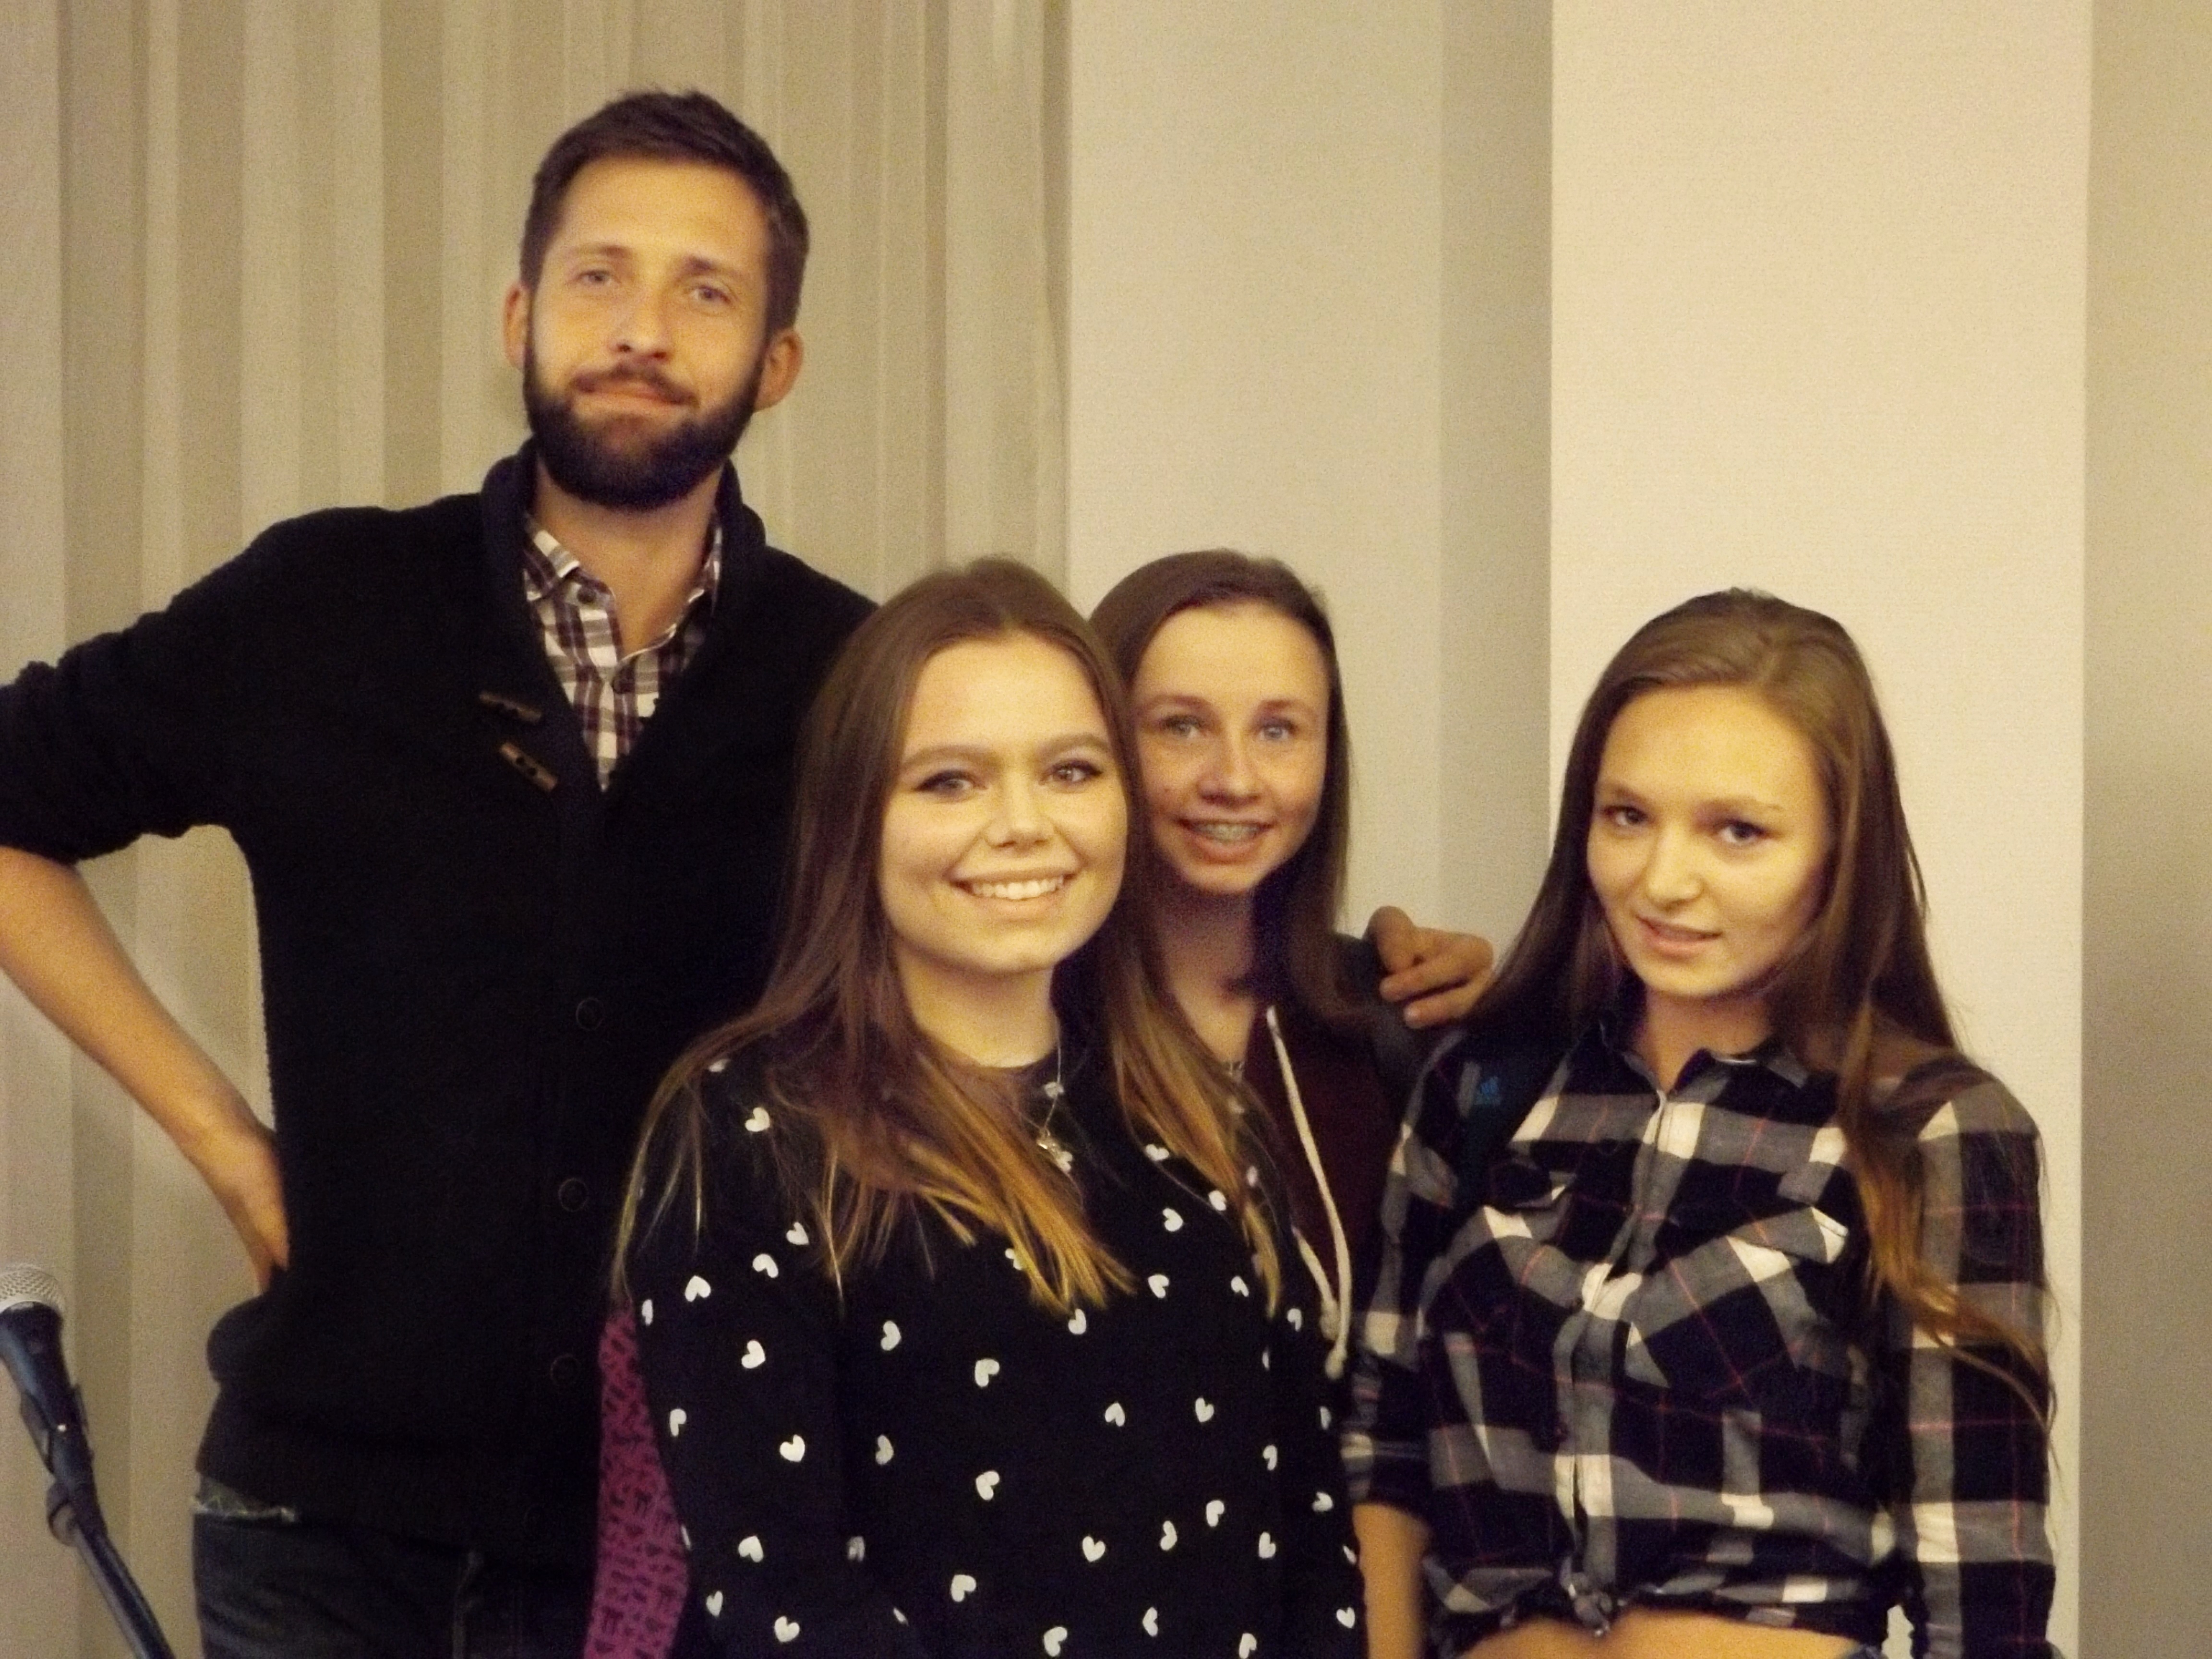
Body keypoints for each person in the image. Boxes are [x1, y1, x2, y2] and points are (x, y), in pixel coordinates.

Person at [0, 91, 875, 1655]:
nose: (642, 329)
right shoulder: (325, 603)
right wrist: (223, 1141)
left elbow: (1005, 963)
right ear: (520, 316)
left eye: (705, 290)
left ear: (778, 363)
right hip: (322, 1528)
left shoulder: (856, 679)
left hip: (681, 1526)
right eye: (600, 276)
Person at [596, 560, 1365, 1656]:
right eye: (951, 782)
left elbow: (1310, 1540)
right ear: (855, 816)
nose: (1022, 824)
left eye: (1070, 771)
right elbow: (787, 1602)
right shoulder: (752, 1131)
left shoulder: (1196, 1112)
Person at [1346, 591, 2055, 1659]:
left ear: (1839, 853)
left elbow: (1983, 1596)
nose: (1663, 881)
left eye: (1739, 831)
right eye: (1627, 817)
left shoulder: (1932, 1132)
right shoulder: (1484, 1085)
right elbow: (1383, 1450)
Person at [1090, 550, 1481, 1384]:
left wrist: (1515, 1019)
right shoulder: (1028, 1037)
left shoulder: (1390, 1024)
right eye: (1181, 726)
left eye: (1278, 731)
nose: (1235, 779)